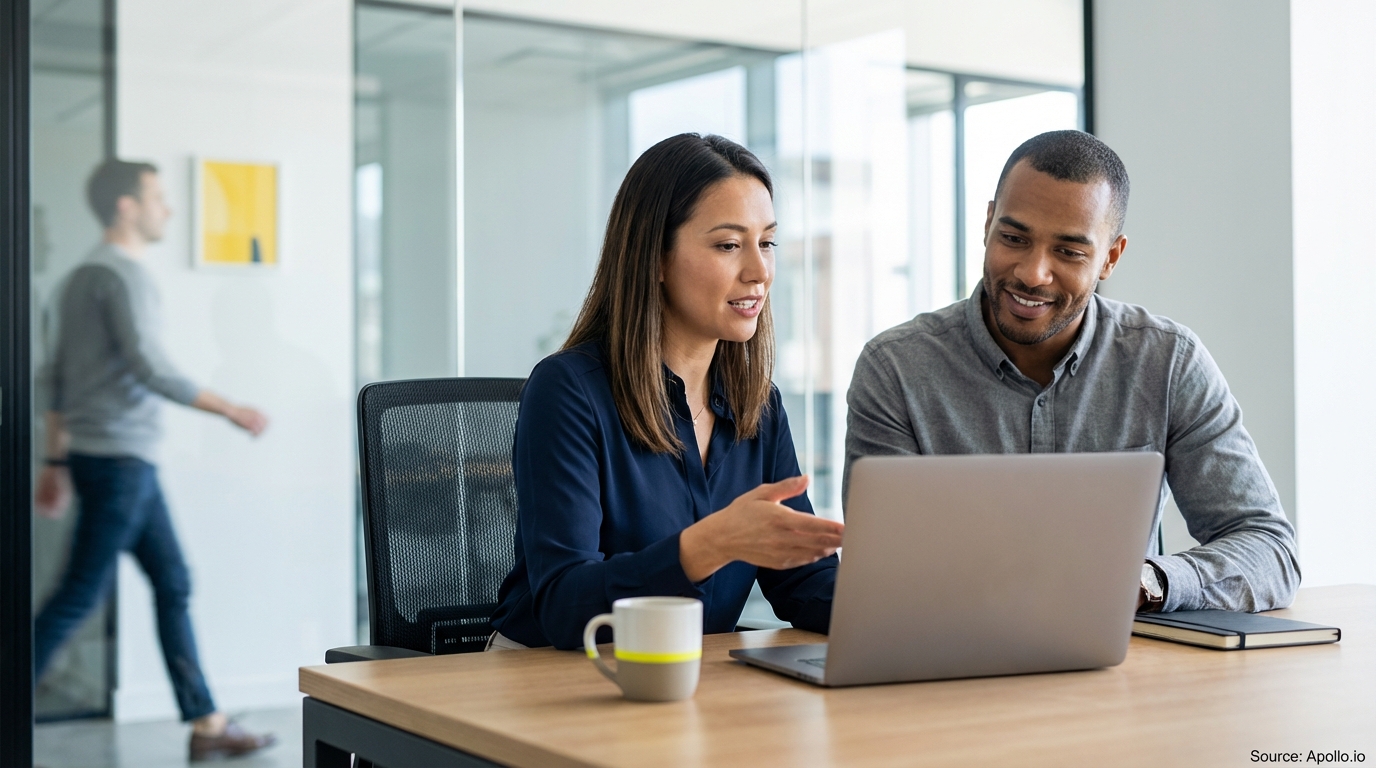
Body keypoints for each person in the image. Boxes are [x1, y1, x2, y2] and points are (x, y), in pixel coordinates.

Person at [844, 130, 1299, 614]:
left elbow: (1269, 549)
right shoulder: (896, 367)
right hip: (952, 661)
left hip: (1122, 670)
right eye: (1014, 238)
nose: (1032, 273)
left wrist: (1149, 580)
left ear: (1111, 257)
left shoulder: (1168, 362)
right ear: (986, 224)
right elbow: (884, 569)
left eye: (1069, 252)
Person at [489, 134, 844, 650]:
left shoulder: (758, 406)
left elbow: (802, 583)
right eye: (728, 245)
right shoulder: (569, 391)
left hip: (684, 682)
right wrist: (710, 544)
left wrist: (907, 614)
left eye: (766, 242)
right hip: (550, 678)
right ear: (654, 257)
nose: (760, 271)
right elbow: (566, 606)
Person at [34, 160, 277, 760]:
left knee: (172, 582)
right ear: (126, 206)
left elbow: (56, 379)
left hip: (107, 458)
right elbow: (151, 367)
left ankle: (208, 725)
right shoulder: (122, 276)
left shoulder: (75, 281)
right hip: (121, 460)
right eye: (158, 198)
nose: (167, 209)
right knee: (78, 594)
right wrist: (229, 408)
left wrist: (57, 462)